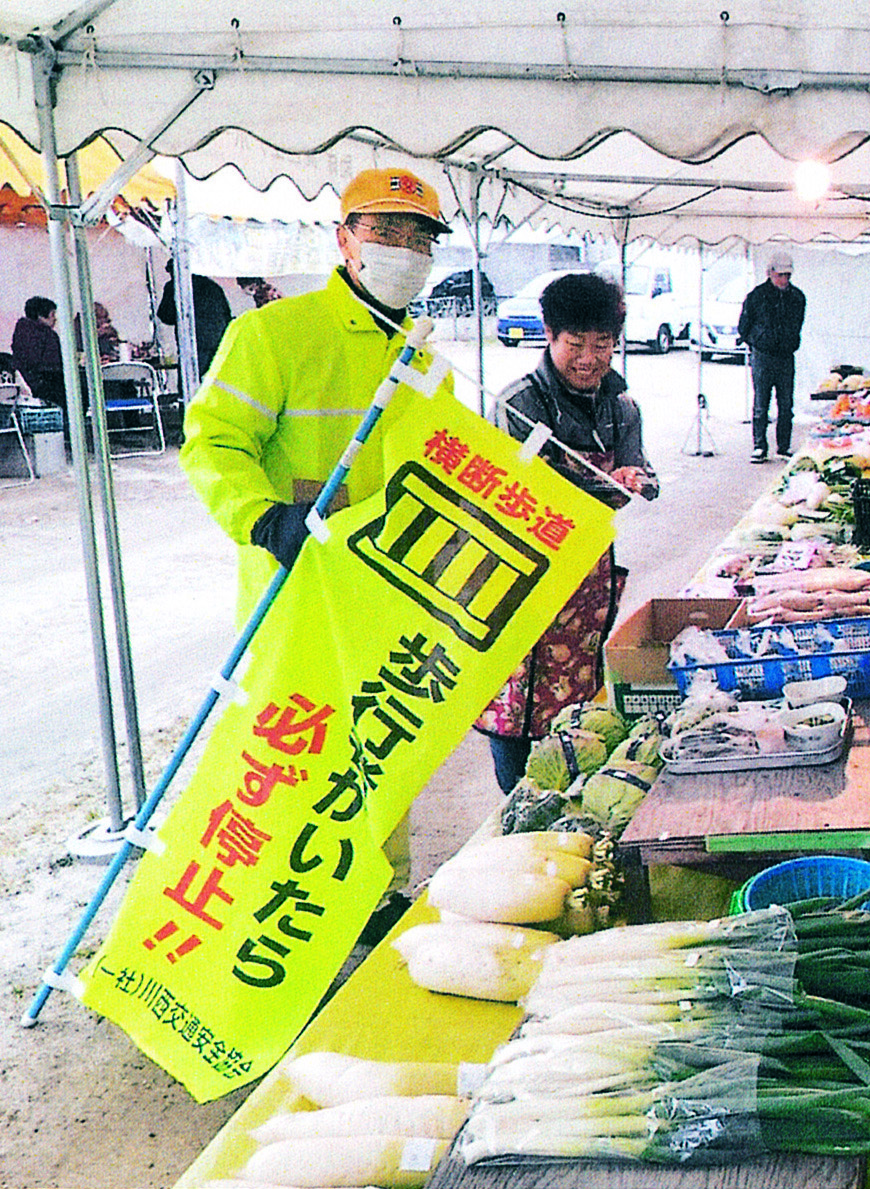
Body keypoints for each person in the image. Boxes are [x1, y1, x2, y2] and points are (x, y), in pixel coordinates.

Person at [179, 165, 452, 926]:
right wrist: (264, 519)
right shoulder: (273, 333)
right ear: (344, 238)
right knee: (291, 752)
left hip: (386, 593)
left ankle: (376, 891)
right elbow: (211, 442)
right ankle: (280, 907)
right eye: (385, 231)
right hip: (292, 591)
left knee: (381, 741)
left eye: (419, 237)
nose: (404, 249)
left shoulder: (425, 360)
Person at [474, 272, 658, 792]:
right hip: (520, 576)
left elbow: (647, 475)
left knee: (578, 716)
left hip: (586, 583)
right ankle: (515, 806)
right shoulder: (518, 404)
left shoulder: (622, 408)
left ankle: (568, 799)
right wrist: (604, 486)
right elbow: (515, 496)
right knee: (513, 711)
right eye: (575, 344)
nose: (589, 358)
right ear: (549, 336)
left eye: (602, 345)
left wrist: (636, 481)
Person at [737, 250, 806, 462]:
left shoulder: (797, 297)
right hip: (763, 356)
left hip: (785, 356)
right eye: (780, 275)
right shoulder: (756, 296)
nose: (784, 279)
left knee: (786, 404)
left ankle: (783, 446)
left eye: (787, 275)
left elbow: (798, 325)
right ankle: (759, 446)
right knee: (761, 402)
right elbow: (743, 326)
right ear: (770, 273)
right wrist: (757, 341)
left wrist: (789, 342)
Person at [158, 262, 234, 378]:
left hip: (191, 343)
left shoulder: (174, 286)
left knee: (190, 384)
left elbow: (165, 315)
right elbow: (227, 315)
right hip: (218, 342)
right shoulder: (212, 286)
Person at [10, 296, 65, 409]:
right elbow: (54, 364)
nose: (55, 319)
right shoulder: (47, 335)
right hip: (46, 385)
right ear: (41, 316)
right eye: (52, 314)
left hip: (29, 382)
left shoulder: (22, 332)